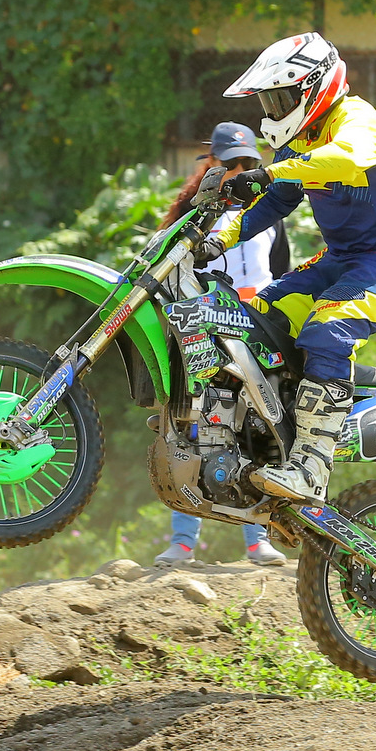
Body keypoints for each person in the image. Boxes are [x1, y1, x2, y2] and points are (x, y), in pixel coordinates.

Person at [203, 32, 376, 504]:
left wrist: (271, 171)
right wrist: (216, 240)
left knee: (329, 328)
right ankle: (265, 438)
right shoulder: (299, 138)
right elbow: (275, 202)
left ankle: (311, 468)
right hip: (343, 256)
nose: (273, 110)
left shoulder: (357, 119)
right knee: (254, 319)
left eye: (281, 99)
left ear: (314, 87)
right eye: (268, 101)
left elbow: (344, 159)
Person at [153, 122, 289, 568]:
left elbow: (282, 273)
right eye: (231, 162)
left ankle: (258, 539)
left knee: (258, 429)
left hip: (257, 331)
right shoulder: (196, 214)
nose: (239, 170)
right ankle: (182, 542)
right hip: (207, 329)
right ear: (211, 162)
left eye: (248, 162)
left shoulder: (269, 213)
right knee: (196, 428)